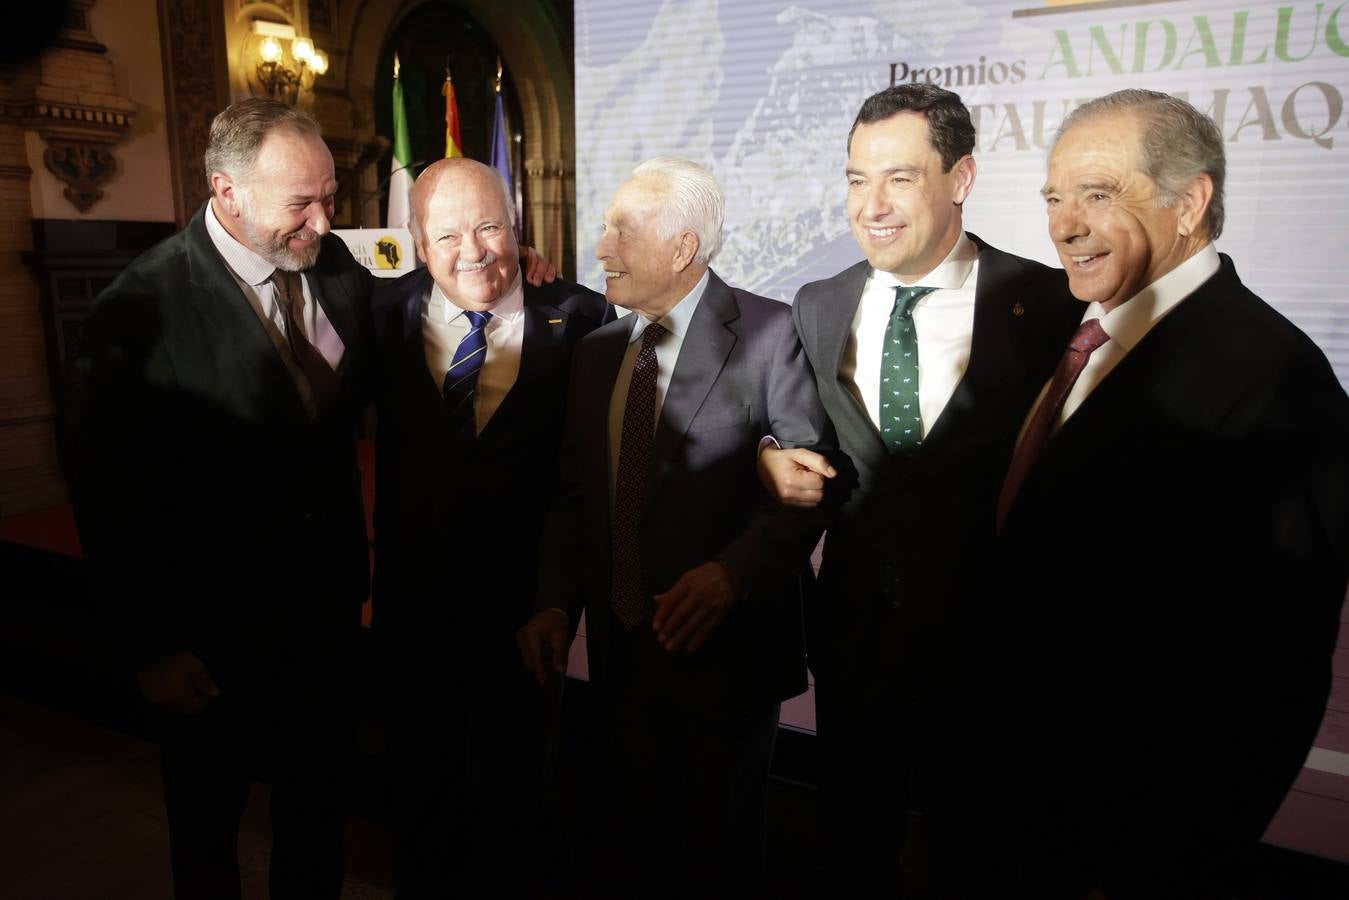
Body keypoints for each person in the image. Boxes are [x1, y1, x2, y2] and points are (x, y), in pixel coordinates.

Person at [984, 88, 1349, 898]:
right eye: (1054, 196)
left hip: (1123, 844)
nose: (1063, 224)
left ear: (1189, 203)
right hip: (1005, 801)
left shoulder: (1276, 380)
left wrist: (1161, 862)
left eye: (1098, 194)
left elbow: (1269, 679)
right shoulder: (1062, 334)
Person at [756, 84, 1082, 894]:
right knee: (851, 850)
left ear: (960, 177)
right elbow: (802, 435)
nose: (870, 206)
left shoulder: (1046, 306)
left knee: (980, 857)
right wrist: (769, 453)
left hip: (994, 650)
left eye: (898, 179)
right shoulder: (818, 304)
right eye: (855, 179)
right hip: (855, 642)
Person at [74, 98, 373, 899]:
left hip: (326, 614)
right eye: (300, 204)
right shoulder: (139, 311)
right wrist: (151, 648)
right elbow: (111, 500)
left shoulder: (333, 264)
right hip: (210, 641)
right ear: (226, 191)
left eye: (330, 196)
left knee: (316, 816)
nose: (322, 221)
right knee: (207, 830)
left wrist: (509, 264)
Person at [516, 157, 831, 900]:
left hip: (723, 660)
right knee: (632, 848)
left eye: (620, 230)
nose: (601, 248)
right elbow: (573, 494)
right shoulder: (597, 350)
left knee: (716, 860)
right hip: (621, 655)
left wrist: (732, 574)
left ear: (681, 247)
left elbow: (804, 489)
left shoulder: (769, 332)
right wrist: (556, 602)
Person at [368, 157, 612, 899]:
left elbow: (586, 478)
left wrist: (557, 599)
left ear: (516, 228)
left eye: (489, 227)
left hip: (527, 616)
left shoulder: (582, 318)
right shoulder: (377, 315)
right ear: (414, 239)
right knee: (420, 804)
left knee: (524, 802)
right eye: (447, 234)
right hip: (414, 613)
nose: (473, 251)